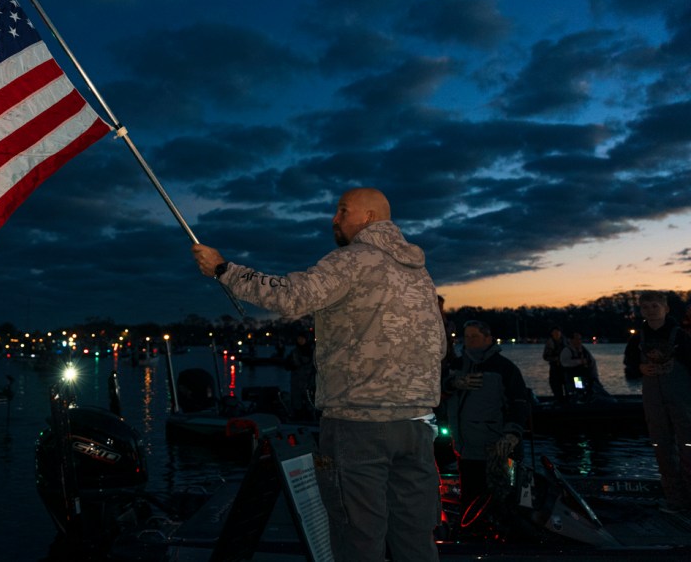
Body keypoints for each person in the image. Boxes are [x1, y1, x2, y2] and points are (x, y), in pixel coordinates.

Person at [192, 187, 445, 562]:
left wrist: (223, 270)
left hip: (359, 427)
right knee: (415, 540)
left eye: (343, 210)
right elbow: (438, 344)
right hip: (417, 428)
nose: (334, 219)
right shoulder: (419, 273)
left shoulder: (353, 260)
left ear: (369, 217)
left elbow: (292, 296)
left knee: (357, 540)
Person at [444, 320, 529, 523]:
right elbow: (438, 391)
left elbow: (519, 403)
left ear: (488, 339)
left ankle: (499, 535)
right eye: (466, 337)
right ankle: (470, 533)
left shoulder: (505, 368)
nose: (469, 341)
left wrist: (512, 434)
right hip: (464, 447)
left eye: (475, 337)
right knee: (469, 498)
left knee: (499, 501)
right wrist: (453, 383)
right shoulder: (456, 366)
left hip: (495, 449)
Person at [623, 291, 691, 514]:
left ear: (666, 309)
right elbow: (630, 368)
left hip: (683, 402)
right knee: (662, 449)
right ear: (641, 311)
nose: (651, 311)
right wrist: (640, 368)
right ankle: (675, 500)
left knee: (688, 449)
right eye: (646, 307)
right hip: (653, 403)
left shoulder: (681, 336)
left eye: (655, 306)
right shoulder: (637, 339)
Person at [285, 333, 316, 420]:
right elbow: (286, 366)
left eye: (302, 339)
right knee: (296, 403)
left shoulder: (313, 352)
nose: (300, 341)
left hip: (309, 382)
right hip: (296, 382)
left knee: (310, 403)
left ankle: (311, 418)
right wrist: (290, 364)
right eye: (299, 339)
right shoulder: (294, 352)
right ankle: (297, 418)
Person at [559, 331, 598, 400]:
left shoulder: (583, 350)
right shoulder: (567, 350)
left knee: (586, 390)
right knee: (577, 391)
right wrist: (580, 361)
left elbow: (591, 361)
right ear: (571, 340)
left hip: (584, 376)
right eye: (576, 339)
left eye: (580, 339)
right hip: (574, 377)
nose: (579, 341)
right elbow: (564, 363)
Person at [541, 327, 567, 402]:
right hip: (555, 368)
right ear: (552, 334)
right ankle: (559, 400)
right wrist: (556, 359)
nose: (556, 334)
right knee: (556, 386)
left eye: (557, 333)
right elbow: (545, 356)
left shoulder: (566, 342)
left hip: (567, 369)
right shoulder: (550, 343)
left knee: (570, 386)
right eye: (554, 333)